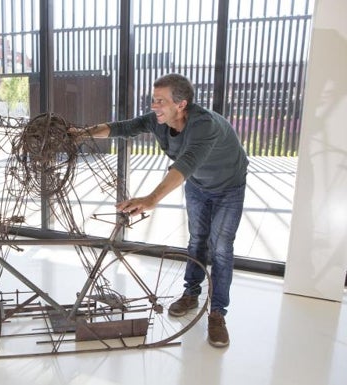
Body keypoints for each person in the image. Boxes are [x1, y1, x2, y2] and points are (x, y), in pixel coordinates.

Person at [76, 73, 248, 348]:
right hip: (197, 184)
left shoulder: (204, 125)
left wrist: (152, 198)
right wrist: (80, 134)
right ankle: (191, 295)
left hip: (229, 186)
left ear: (181, 104)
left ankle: (217, 314)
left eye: (161, 101)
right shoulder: (159, 121)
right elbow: (122, 127)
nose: (154, 106)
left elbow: (186, 163)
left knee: (221, 248)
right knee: (197, 241)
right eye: (153, 99)